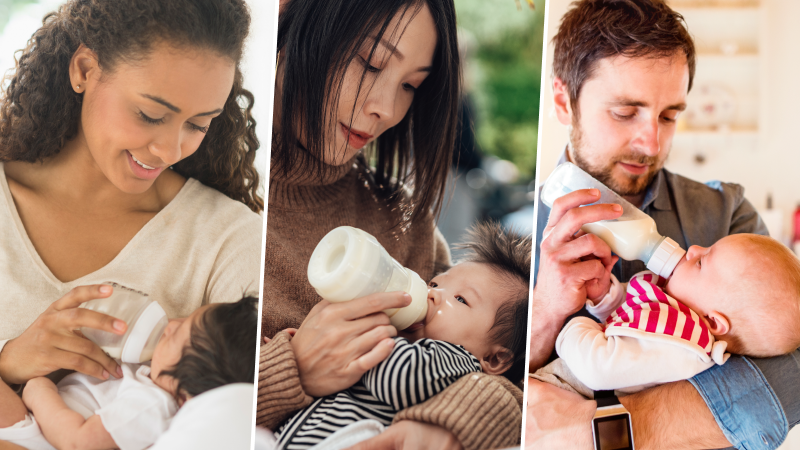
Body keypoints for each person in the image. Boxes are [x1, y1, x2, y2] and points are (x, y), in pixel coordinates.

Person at [526, 1, 797, 448]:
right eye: (624, 112)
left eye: (669, 115)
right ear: (562, 101)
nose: (651, 142)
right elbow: (480, 387)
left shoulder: (725, 213)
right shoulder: (517, 228)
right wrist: (545, 313)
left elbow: (793, 373)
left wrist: (607, 430)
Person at [257, 1, 522, 448]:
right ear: (289, 14)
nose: (385, 108)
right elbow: (149, 394)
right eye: (371, 62)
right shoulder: (192, 186)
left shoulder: (402, 220)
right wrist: (291, 369)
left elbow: (496, 366)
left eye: (410, 85)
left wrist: (447, 424)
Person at [0, 0, 262, 424]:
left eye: (198, 124)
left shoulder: (228, 243)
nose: (170, 150)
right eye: (150, 114)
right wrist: (9, 361)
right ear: (84, 69)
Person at [274, 223, 529, 449]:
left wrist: (351, 336)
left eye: (461, 299)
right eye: (435, 283)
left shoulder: (458, 360)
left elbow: (400, 379)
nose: (432, 294)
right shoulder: (406, 341)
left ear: (494, 359)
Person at [0, 296, 257, 450]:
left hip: (39, 438)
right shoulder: (151, 379)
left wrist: (39, 392)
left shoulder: (152, 406)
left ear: (189, 382)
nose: (172, 323)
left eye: (177, 333)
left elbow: (77, 442)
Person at [556, 234, 800, 393]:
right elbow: (631, 329)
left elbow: (600, 367)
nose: (692, 249)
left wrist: (577, 327)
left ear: (712, 321)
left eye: (701, 262)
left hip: (567, 391)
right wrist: (605, 297)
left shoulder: (680, 346)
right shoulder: (676, 317)